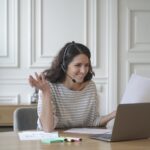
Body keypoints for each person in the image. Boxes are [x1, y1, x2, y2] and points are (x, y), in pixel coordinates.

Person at [28, 41, 116, 132]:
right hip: (53, 142)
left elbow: (92, 122)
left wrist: (113, 114)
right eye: (78, 65)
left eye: (86, 65)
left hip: (79, 142)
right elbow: (47, 128)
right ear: (64, 66)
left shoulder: (90, 87)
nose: (83, 71)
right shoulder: (48, 86)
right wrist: (46, 92)